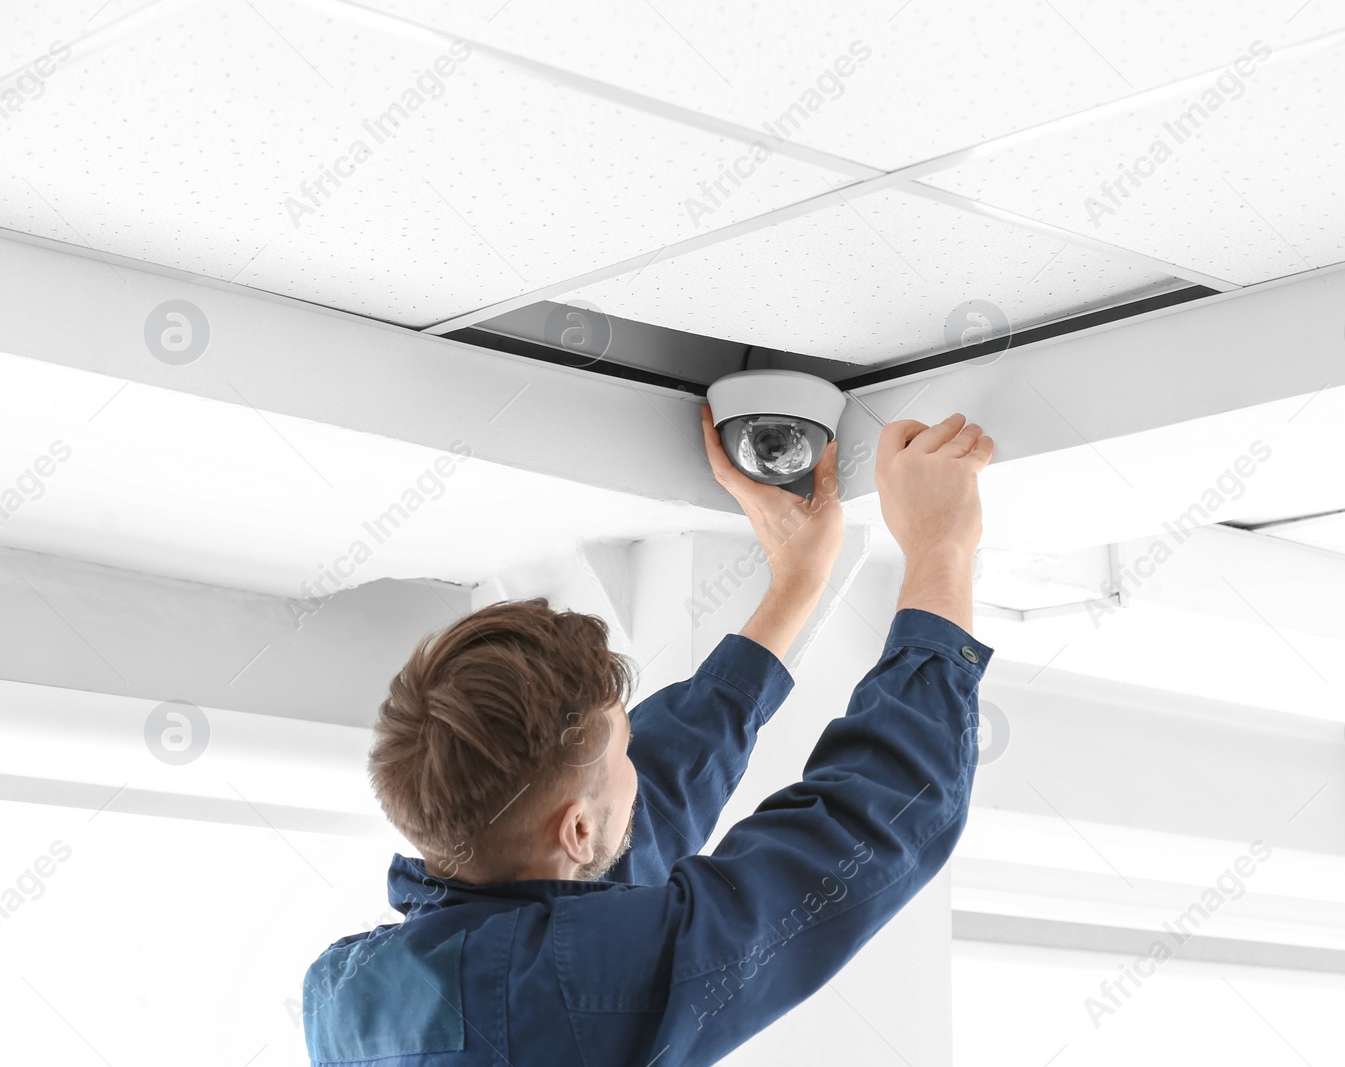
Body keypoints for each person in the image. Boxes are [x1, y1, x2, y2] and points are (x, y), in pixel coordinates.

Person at [302, 406, 996, 1066]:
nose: (641, 764)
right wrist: (941, 544)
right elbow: (873, 818)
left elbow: (625, 829)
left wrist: (797, 585)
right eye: (625, 748)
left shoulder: (342, 992)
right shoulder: (577, 988)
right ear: (573, 829)